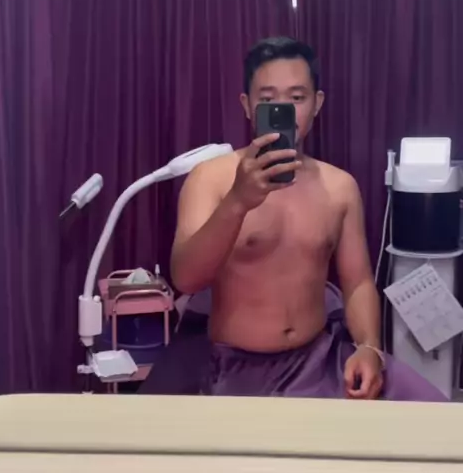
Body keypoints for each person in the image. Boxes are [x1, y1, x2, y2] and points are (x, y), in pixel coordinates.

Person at [171, 37, 446, 401]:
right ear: (247, 106)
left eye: (297, 98)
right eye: (268, 99)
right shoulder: (211, 178)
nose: (283, 109)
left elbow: (358, 282)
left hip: (321, 359)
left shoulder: (340, 187)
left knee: (434, 413)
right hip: (238, 368)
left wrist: (370, 348)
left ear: (317, 103)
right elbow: (186, 279)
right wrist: (237, 202)